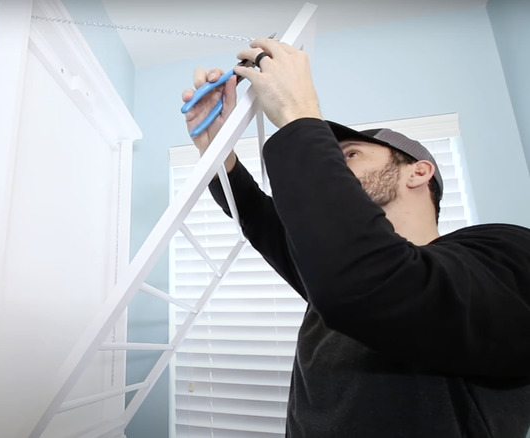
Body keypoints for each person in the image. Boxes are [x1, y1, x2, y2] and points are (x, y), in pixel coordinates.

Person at [182, 37, 530, 437]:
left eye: (349, 155)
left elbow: (377, 281)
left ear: (418, 171)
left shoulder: (507, 252)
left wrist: (299, 115)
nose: (332, 164)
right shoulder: (330, 275)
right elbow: (258, 215)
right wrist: (215, 148)